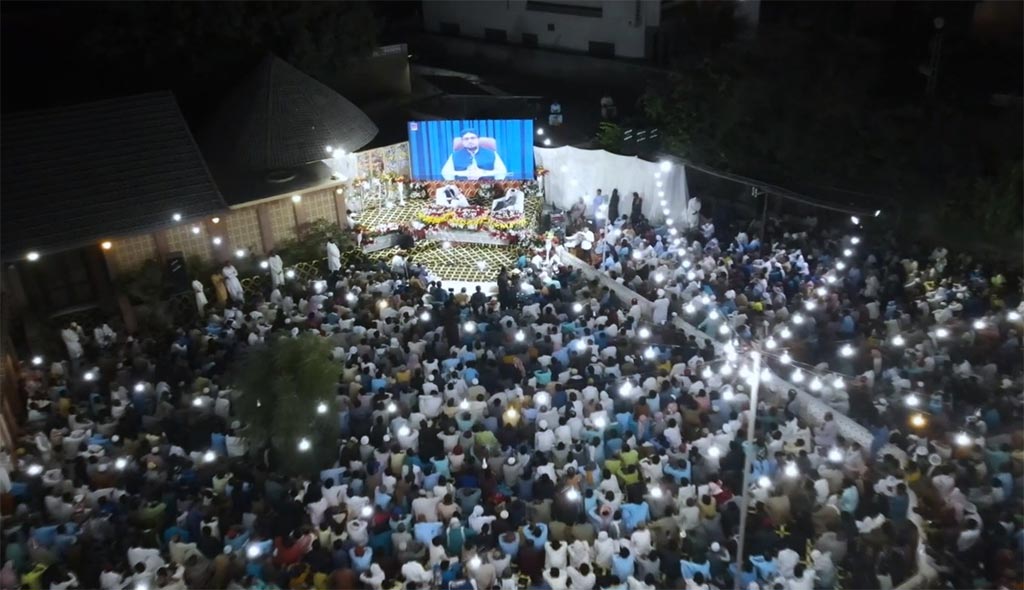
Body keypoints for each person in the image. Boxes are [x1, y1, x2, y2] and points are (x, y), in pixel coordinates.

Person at [441, 129, 507, 181]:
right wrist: (464, 173)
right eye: (466, 139)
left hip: (487, 187)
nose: (470, 141)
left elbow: (502, 172)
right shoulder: (454, 156)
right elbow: (446, 173)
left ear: (478, 139)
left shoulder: (492, 154)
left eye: (473, 138)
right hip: (463, 189)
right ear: (462, 141)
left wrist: (483, 173)